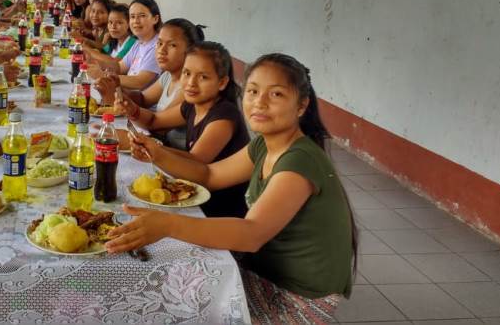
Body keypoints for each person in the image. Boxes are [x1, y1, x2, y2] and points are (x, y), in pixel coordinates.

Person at [111, 53, 357, 324]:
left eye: (275, 95)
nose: (259, 102)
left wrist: (168, 225)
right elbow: (209, 174)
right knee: (165, 279)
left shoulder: (299, 160)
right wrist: (156, 154)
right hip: (264, 269)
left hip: (296, 297)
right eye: (253, 91)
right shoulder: (264, 144)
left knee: (176, 303)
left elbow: (251, 234)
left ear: (301, 106)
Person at [120, 41, 250, 218]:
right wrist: (131, 109)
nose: (191, 83)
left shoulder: (224, 116)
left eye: (203, 77)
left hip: (217, 209)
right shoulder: (191, 105)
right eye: (186, 73)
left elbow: (195, 163)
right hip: (191, 193)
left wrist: (155, 150)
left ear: (222, 82)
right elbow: (154, 120)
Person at [98, 18, 203, 150]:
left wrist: (131, 114)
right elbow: (143, 99)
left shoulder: (189, 88)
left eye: (172, 45)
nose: (162, 50)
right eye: (159, 43)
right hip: (160, 145)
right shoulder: (168, 76)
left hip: (173, 154)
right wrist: (116, 88)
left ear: (190, 51)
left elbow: (158, 125)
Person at [85, 0, 162, 90]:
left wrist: (102, 75)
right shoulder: (139, 43)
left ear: (155, 19)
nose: (136, 21)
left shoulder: (157, 46)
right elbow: (119, 67)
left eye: (142, 16)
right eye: (132, 17)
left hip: (137, 101)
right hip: (125, 95)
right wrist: (93, 62)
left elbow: (140, 82)